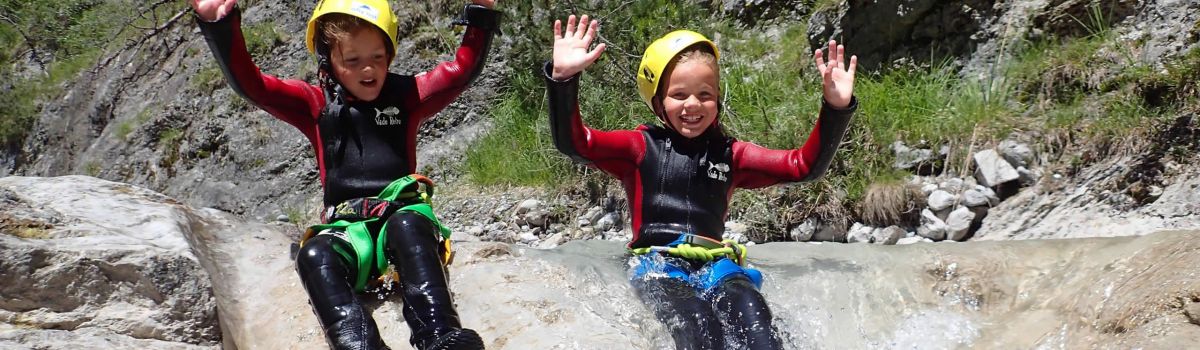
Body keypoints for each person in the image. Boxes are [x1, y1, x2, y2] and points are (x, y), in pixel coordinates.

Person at [189, 0, 501, 349]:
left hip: (400, 219)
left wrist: (480, 13)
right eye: (352, 61)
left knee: (408, 225)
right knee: (313, 254)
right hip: (347, 231)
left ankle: (441, 335)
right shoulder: (316, 104)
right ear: (328, 61)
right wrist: (219, 24)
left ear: (390, 53)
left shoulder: (408, 95)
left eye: (378, 57)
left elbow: (461, 71)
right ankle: (359, 345)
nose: (368, 70)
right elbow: (255, 86)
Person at [543, 15, 858, 349]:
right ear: (658, 102)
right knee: (699, 322)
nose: (692, 105)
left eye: (704, 94)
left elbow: (803, 167)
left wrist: (835, 108)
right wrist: (563, 80)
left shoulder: (731, 154)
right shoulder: (639, 148)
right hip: (659, 264)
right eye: (679, 94)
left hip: (716, 265)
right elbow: (576, 144)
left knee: (756, 318)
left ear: (717, 99)